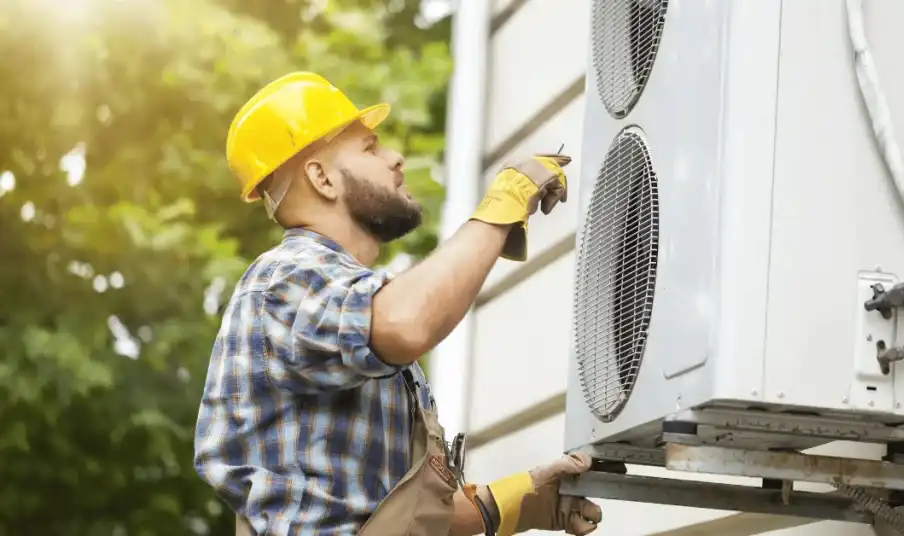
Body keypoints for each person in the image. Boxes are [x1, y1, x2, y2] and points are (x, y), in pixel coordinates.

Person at [193, 71, 604, 536]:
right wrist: (501, 206)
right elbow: (405, 324)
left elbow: (395, 519)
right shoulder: (286, 279)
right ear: (322, 177)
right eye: (370, 148)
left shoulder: (344, 308)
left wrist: (525, 501)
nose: (396, 158)